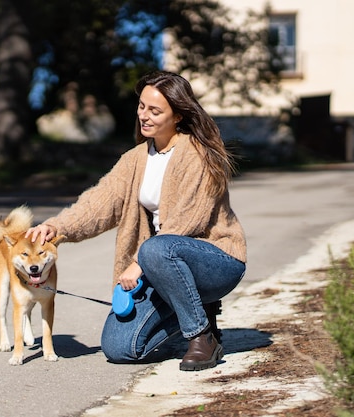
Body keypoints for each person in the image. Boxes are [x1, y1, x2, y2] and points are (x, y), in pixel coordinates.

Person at [26, 71, 247, 371]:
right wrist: (57, 227)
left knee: (155, 249)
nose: (144, 115)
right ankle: (193, 311)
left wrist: (140, 262)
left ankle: (202, 337)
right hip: (162, 265)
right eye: (142, 106)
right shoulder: (135, 159)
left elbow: (188, 220)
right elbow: (99, 203)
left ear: (179, 115)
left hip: (215, 261)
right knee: (119, 347)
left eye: (155, 111)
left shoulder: (197, 155)